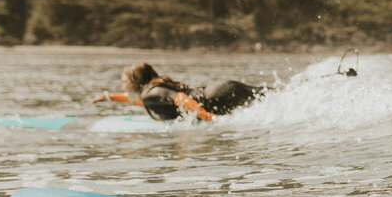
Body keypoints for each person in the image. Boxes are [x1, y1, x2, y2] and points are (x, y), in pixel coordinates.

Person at [91, 62, 266, 121]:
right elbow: (138, 100)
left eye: (124, 82)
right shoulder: (153, 91)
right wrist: (110, 97)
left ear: (134, 81)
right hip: (220, 90)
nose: (123, 86)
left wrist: (207, 118)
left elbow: (180, 98)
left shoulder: (150, 93)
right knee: (270, 95)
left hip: (218, 95)